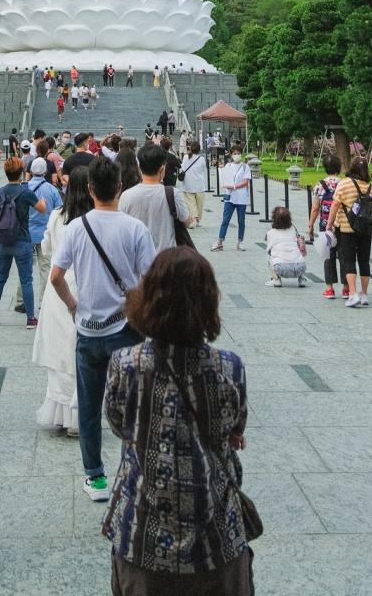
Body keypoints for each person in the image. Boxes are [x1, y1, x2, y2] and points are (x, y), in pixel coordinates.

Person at [103, 247, 255, 594]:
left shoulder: (125, 365)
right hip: (217, 540)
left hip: (142, 535)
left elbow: (118, 424)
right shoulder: (229, 367)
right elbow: (236, 426)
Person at [49, 157, 156, 501]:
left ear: (91, 189)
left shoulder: (76, 228)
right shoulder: (134, 229)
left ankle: (95, 478)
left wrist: (72, 305)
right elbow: (152, 280)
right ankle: (135, 472)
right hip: (125, 328)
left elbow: (56, 277)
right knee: (135, 405)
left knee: (89, 405)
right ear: (120, 189)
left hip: (89, 331)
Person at [33, 167, 94, 437]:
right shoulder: (93, 219)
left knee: (60, 350)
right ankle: (77, 415)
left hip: (57, 291)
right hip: (83, 287)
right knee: (79, 351)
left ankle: (60, 412)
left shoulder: (58, 217)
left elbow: (46, 249)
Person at [0, 159, 48, 328]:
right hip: (22, 240)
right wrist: (43, 202)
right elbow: (42, 209)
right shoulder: (26, 192)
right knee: (26, 280)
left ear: (6, 173)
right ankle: (30, 318)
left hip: (2, 241)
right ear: (21, 172)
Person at [119, 146, 191, 251]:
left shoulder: (127, 196)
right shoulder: (173, 193)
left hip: (138, 259)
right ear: (162, 168)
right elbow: (186, 222)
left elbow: (121, 229)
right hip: (166, 258)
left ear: (139, 168)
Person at [16, 159, 63, 315]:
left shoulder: (23, 188)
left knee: (25, 268)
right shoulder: (52, 190)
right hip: (44, 233)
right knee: (45, 267)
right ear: (45, 172)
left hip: (25, 232)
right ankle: (44, 301)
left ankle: (21, 300)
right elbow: (59, 211)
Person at [326, 156, 372, 308]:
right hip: (366, 230)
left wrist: (329, 224)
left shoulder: (345, 183)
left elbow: (335, 205)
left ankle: (353, 294)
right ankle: (364, 294)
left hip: (347, 229)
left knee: (348, 261)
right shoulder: (371, 186)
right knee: (364, 261)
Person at [308, 154, 343, 299]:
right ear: (339, 168)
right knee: (344, 256)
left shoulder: (320, 185)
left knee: (328, 255)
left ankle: (329, 289)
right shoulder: (344, 183)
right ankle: (347, 288)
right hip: (342, 225)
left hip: (325, 226)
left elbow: (315, 208)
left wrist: (310, 225)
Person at [211, 146, 251, 253]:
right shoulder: (228, 165)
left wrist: (235, 186)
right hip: (229, 196)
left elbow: (246, 182)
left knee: (241, 220)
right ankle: (220, 241)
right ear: (231, 154)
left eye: (238, 153)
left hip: (241, 197)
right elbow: (224, 178)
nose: (237, 155)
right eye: (235, 153)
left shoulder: (245, 167)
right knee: (225, 220)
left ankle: (240, 241)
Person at [265, 207, 307, 288]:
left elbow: (269, 250)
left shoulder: (270, 233)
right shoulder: (293, 230)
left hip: (281, 269)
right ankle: (301, 279)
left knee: (269, 256)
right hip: (300, 268)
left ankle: (276, 280)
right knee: (298, 251)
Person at [179, 140, 207, 227]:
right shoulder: (202, 159)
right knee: (199, 204)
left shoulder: (185, 157)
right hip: (199, 185)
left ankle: (194, 219)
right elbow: (203, 170)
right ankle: (196, 220)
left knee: (191, 204)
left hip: (188, 184)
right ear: (199, 149)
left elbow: (182, 168)